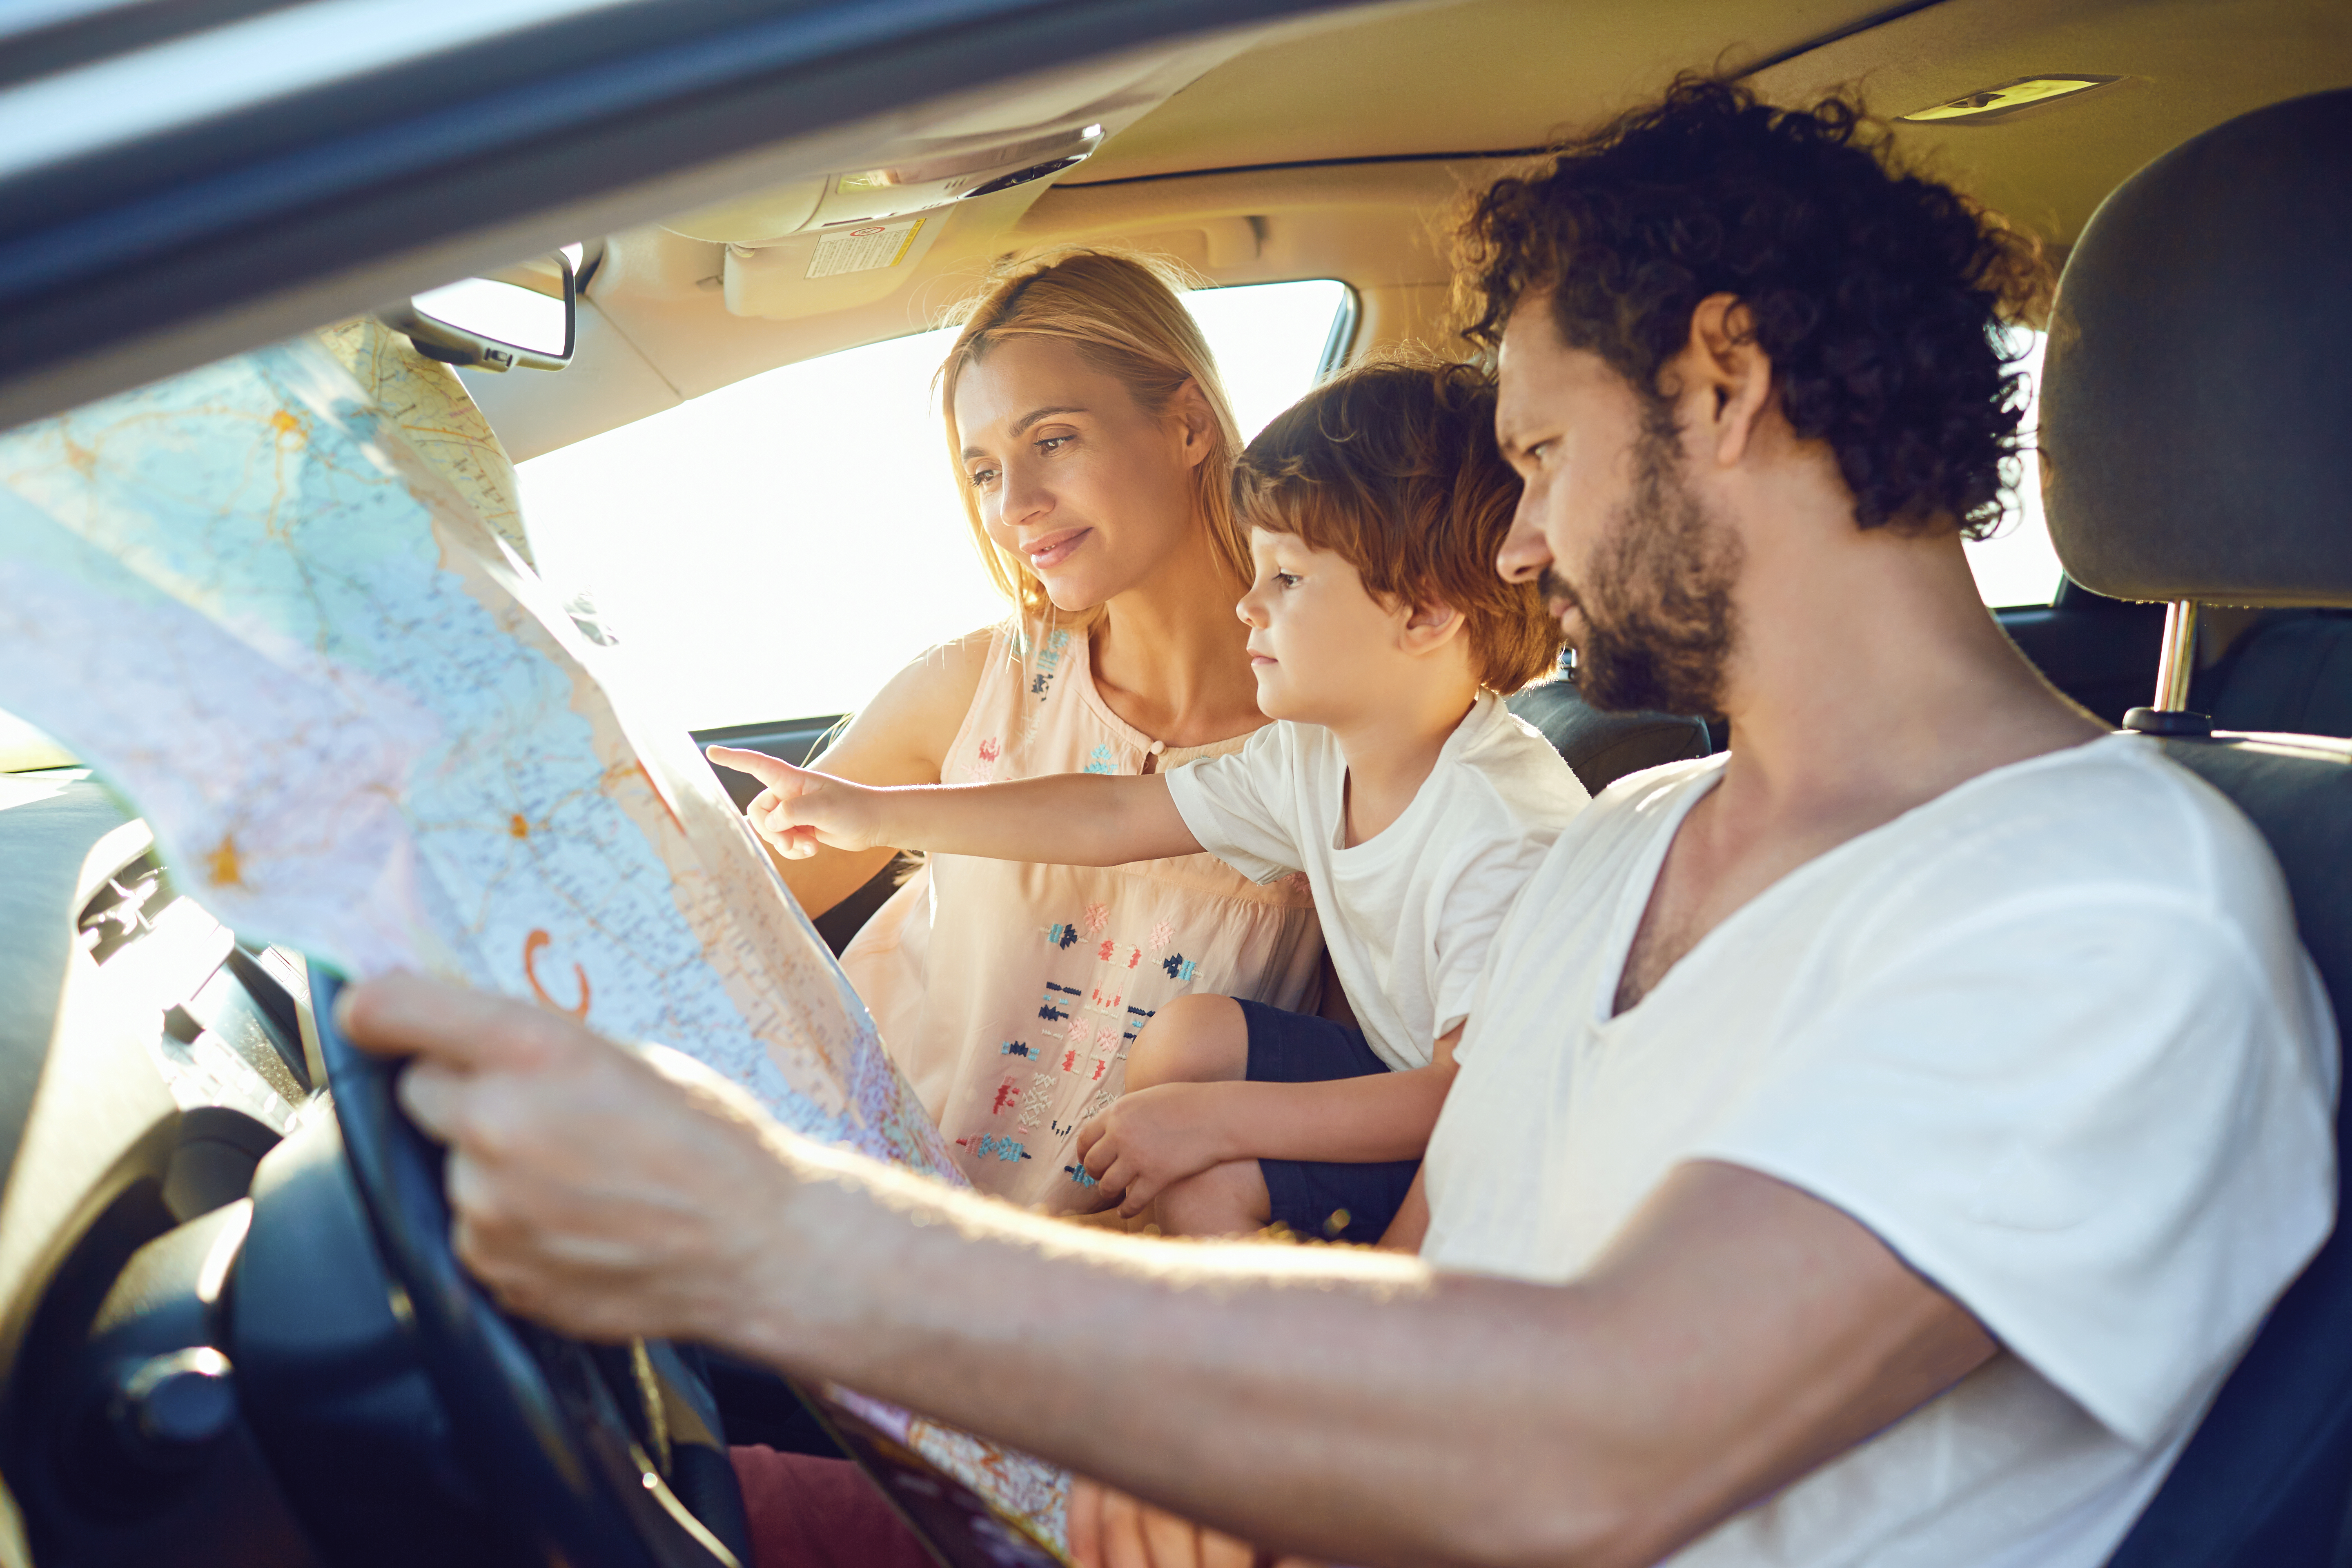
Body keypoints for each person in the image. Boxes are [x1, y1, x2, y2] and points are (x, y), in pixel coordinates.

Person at [346, 79, 2335, 1568]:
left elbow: (1595, 1439)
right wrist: (1194, 1421)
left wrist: (778, 1236)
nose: (1521, 541)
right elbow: (1433, 1279)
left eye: (1539, 453)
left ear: (1723, 382)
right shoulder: (1630, 837)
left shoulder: (2105, 906)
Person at [717, 356, 1583, 1244]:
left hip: (1502, 1125)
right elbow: (1112, 815)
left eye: (1287, 579)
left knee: (1212, 1178)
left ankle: (1255, 1323)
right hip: (1402, 1076)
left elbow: (1480, 1095)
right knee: (1185, 1039)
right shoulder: (1312, 756)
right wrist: (871, 813)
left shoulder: (1500, 833)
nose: (1248, 606)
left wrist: (1216, 1124)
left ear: (1424, 615)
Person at [733, 248, 1324, 1205]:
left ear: (1188, 424)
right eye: (983, 471)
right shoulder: (973, 687)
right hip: (862, 1210)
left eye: (1052, 441)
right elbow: (723, 919)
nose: (1014, 508)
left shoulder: (1334, 734)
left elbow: (1355, 1055)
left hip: (1115, 1268)